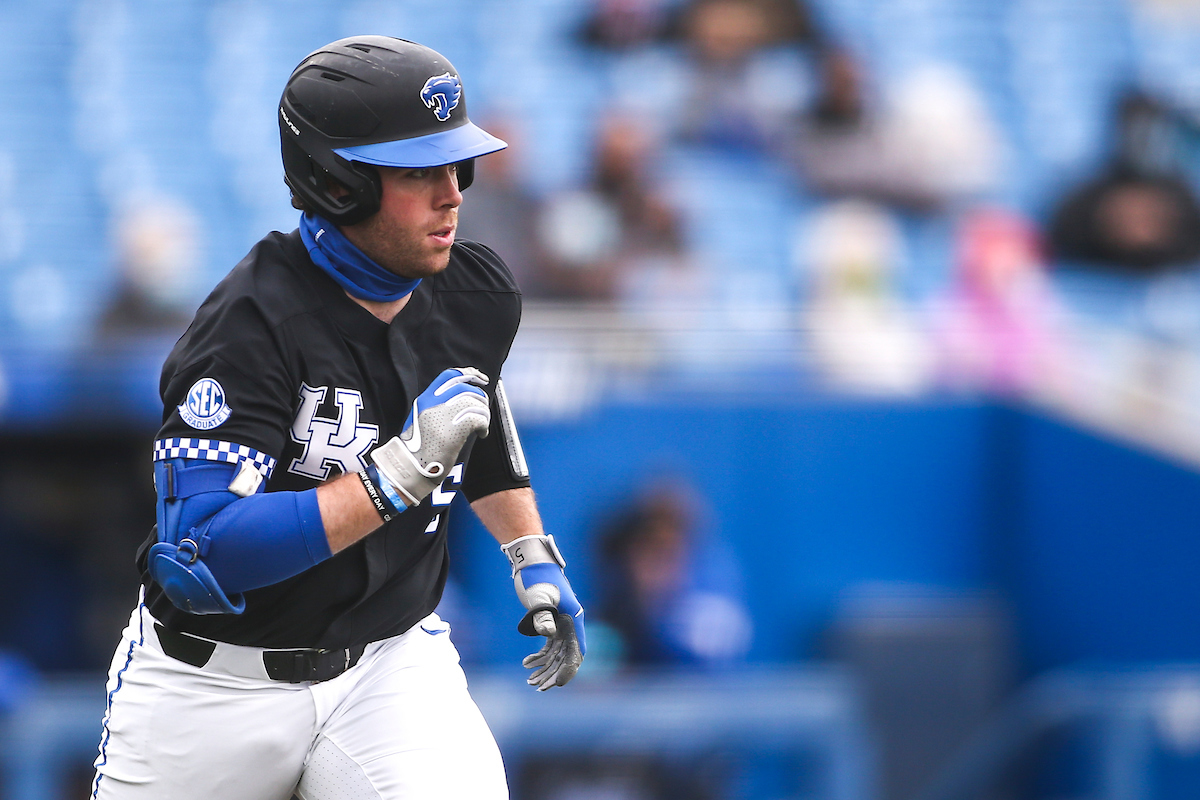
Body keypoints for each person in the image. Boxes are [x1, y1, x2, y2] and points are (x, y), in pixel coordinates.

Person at [90, 36, 586, 800]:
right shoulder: (247, 327)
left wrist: (530, 551)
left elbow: (473, 413)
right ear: (337, 180)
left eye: (458, 165)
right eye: (420, 170)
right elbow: (202, 558)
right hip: (215, 684)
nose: (453, 192)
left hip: (390, 664)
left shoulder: (476, 290)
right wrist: (394, 476)